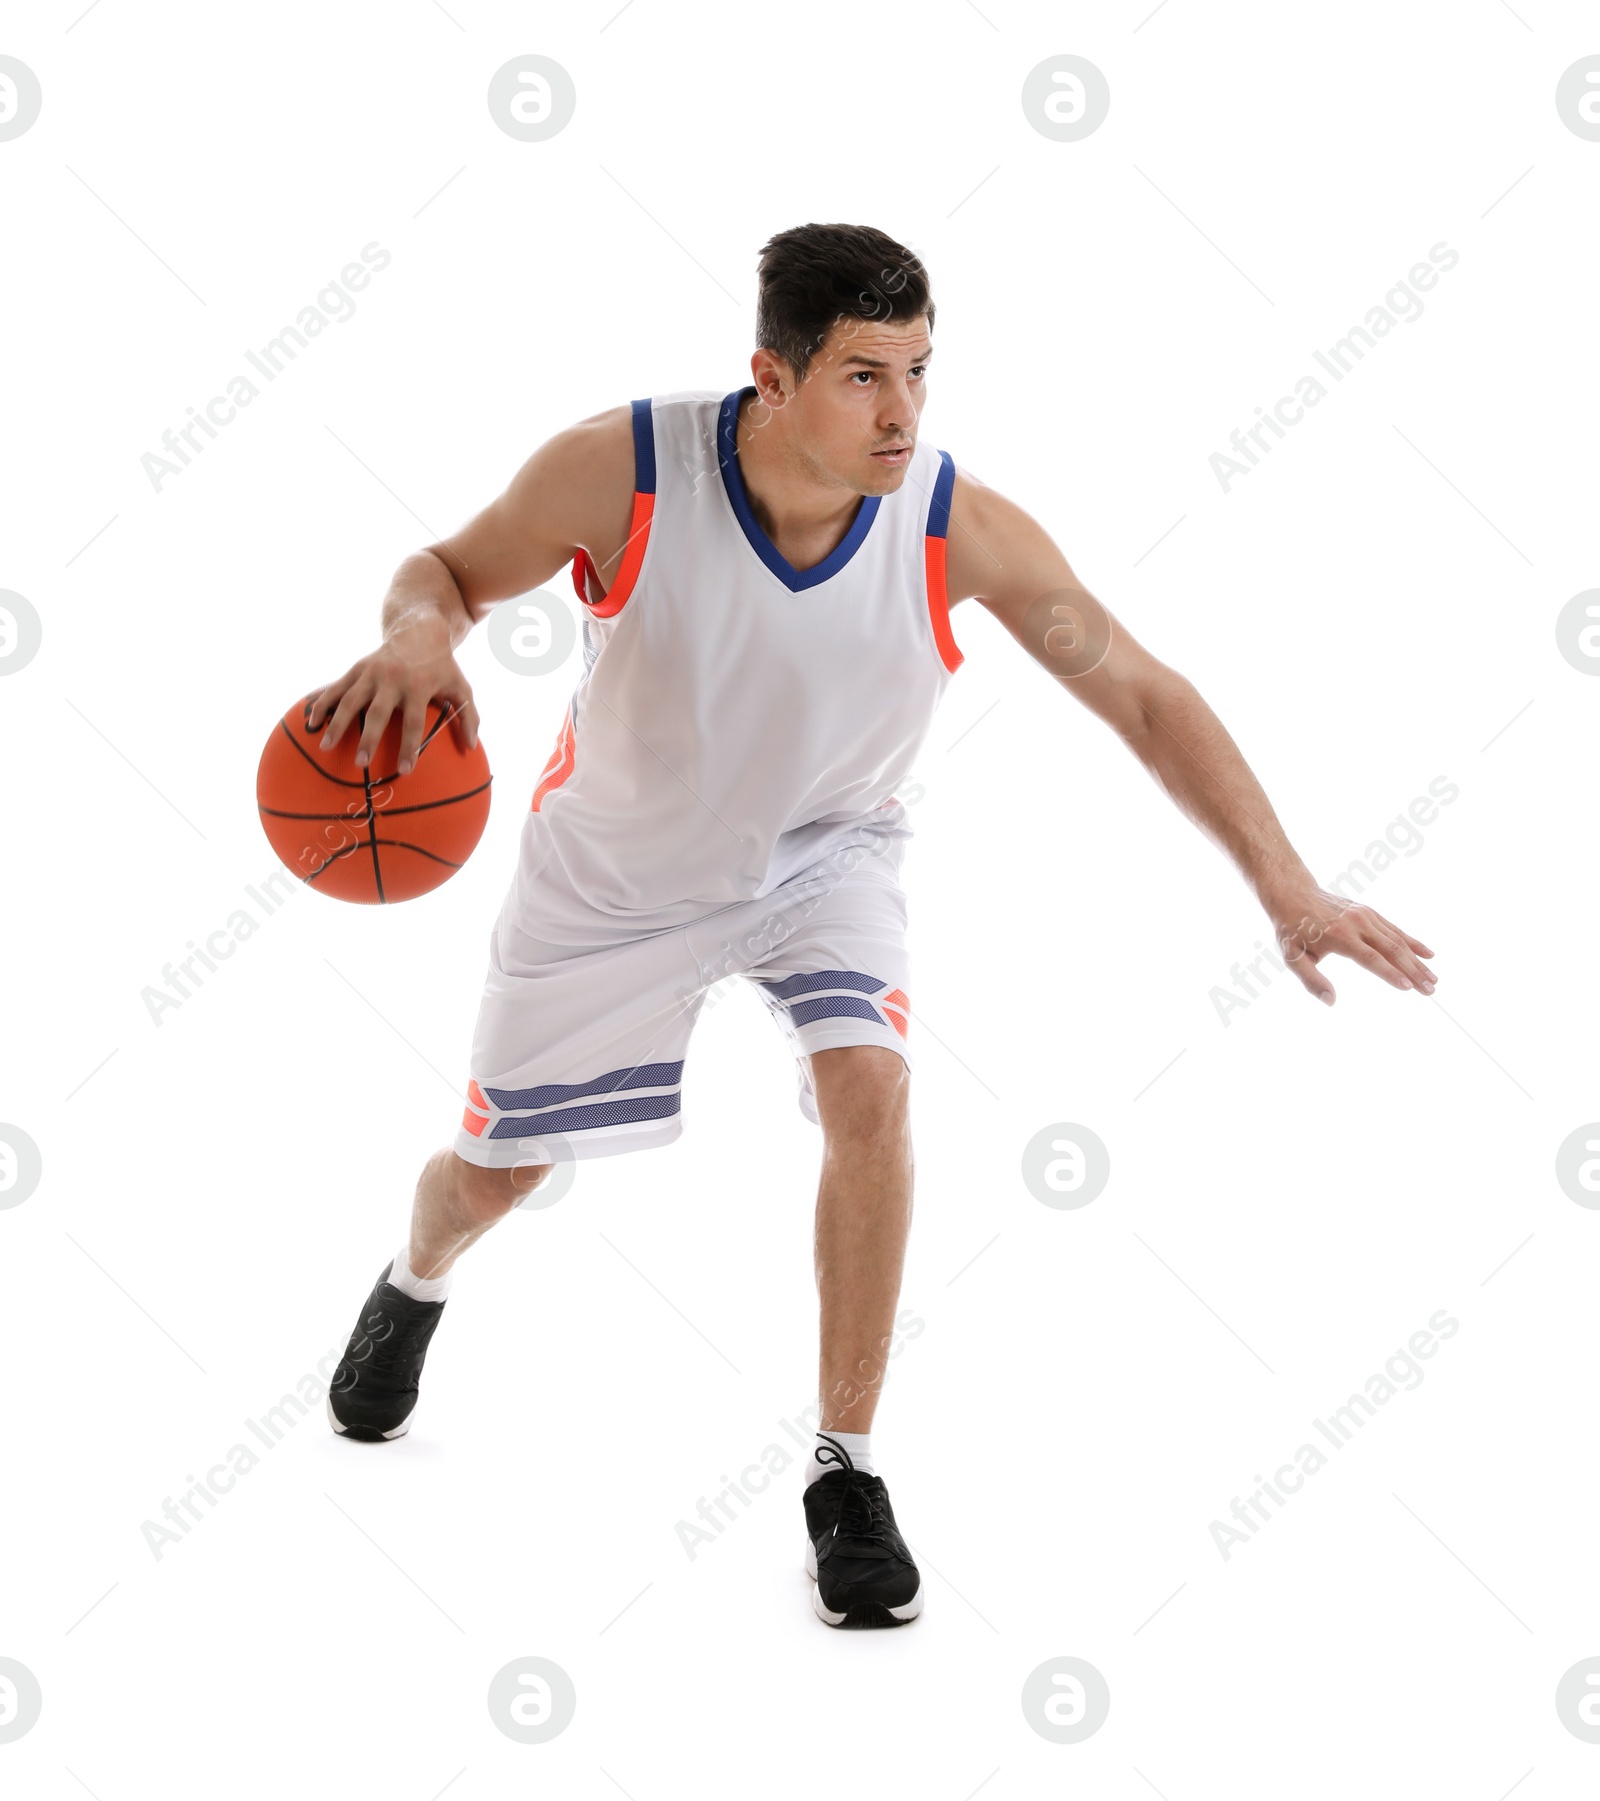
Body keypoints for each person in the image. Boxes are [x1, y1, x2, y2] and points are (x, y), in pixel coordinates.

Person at [308, 221, 1437, 1630]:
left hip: (825, 856)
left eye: (918, 369)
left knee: (872, 1093)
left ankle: (845, 1465)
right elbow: (448, 568)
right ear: (771, 379)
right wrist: (422, 629)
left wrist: (1285, 881)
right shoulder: (623, 469)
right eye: (862, 376)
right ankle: (415, 1281)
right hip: (616, 875)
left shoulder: (958, 526)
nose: (902, 411)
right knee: (494, 1178)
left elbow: (1142, 690)